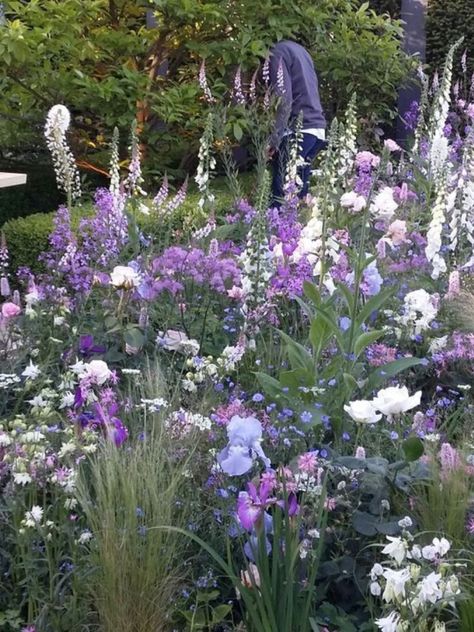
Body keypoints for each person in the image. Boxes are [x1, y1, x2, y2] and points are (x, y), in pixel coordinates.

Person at [268, 40, 326, 205]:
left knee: (282, 195)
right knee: (299, 196)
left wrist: (274, 140)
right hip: (316, 128)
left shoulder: (277, 53)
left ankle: (276, 229)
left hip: (298, 130)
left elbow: (284, 99)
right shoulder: (300, 51)